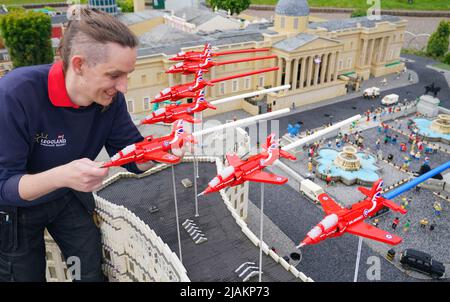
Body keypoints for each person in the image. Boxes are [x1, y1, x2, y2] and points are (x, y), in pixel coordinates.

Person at [0, 8, 155, 282]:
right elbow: (5, 186)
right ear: (80, 64)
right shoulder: (15, 94)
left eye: (127, 75)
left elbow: (131, 153)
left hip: (67, 197)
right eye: (114, 75)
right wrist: (62, 175)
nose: (124, 88)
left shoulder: (110, 100)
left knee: (87, 272)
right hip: (17, 209)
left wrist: (160, 152)